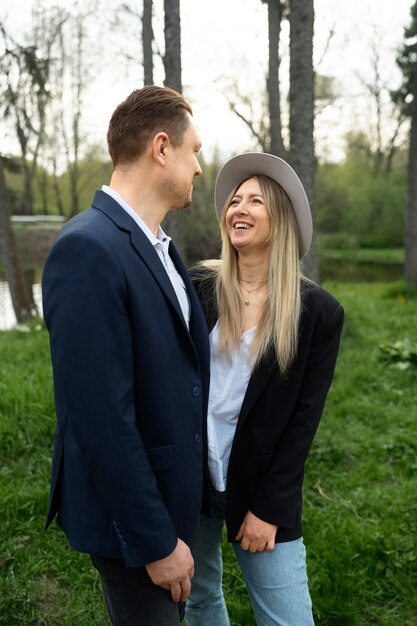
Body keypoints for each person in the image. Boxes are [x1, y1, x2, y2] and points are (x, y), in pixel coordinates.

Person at [42, 85, 210, 626]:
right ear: (162, 148)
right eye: (196, 151)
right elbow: (101, 420)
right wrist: (157, 542)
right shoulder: (88, 248)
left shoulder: (158, 244)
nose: (201, 168)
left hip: (170, 504)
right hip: (135, 527)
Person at [184, 153, 344, 626]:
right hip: (191, 479)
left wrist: (269, 508)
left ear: (281, 218)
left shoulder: (318, 313)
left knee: (287, 619)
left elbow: (302, 423)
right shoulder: (198, 286)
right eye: (235, 201)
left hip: (258, 487)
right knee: (199, 598)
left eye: (255, 200)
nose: (240, 208)